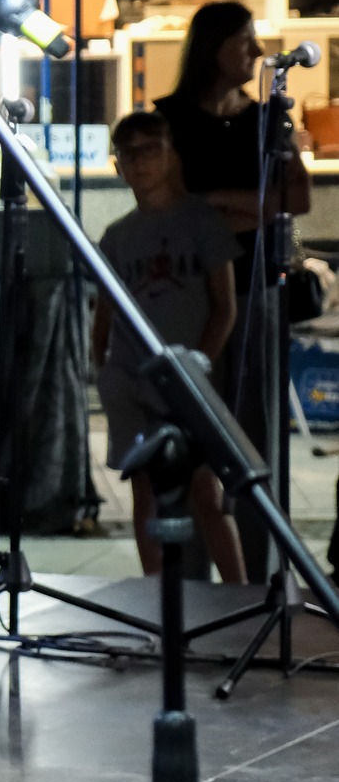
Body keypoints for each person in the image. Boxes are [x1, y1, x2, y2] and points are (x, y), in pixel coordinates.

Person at [156, 1, 311, 579]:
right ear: (213, 47)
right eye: (244, 40)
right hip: (190, 291)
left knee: (255, 433)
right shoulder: (171, 118)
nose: (255, 51)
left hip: (254, 286)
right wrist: (246, 209)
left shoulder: (266, 119)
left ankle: (259, 575)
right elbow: (173, 206)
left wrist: (220, 202)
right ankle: (191, 577)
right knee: (194, 431)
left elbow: (294, 201)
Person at [92, 110, 245, 582]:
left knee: (204, 487)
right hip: (130, 373)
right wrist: (102, 367)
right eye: (129, 153)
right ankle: (155, 592)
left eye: (150, 150)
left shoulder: (201, 222)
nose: (140, 162)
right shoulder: (118, 236)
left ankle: (238, 590)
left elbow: (224, 305)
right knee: (144, 487)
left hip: (185, 375)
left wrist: (200, 362)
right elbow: (103, 314)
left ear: (170, 155)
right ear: (118, 164)